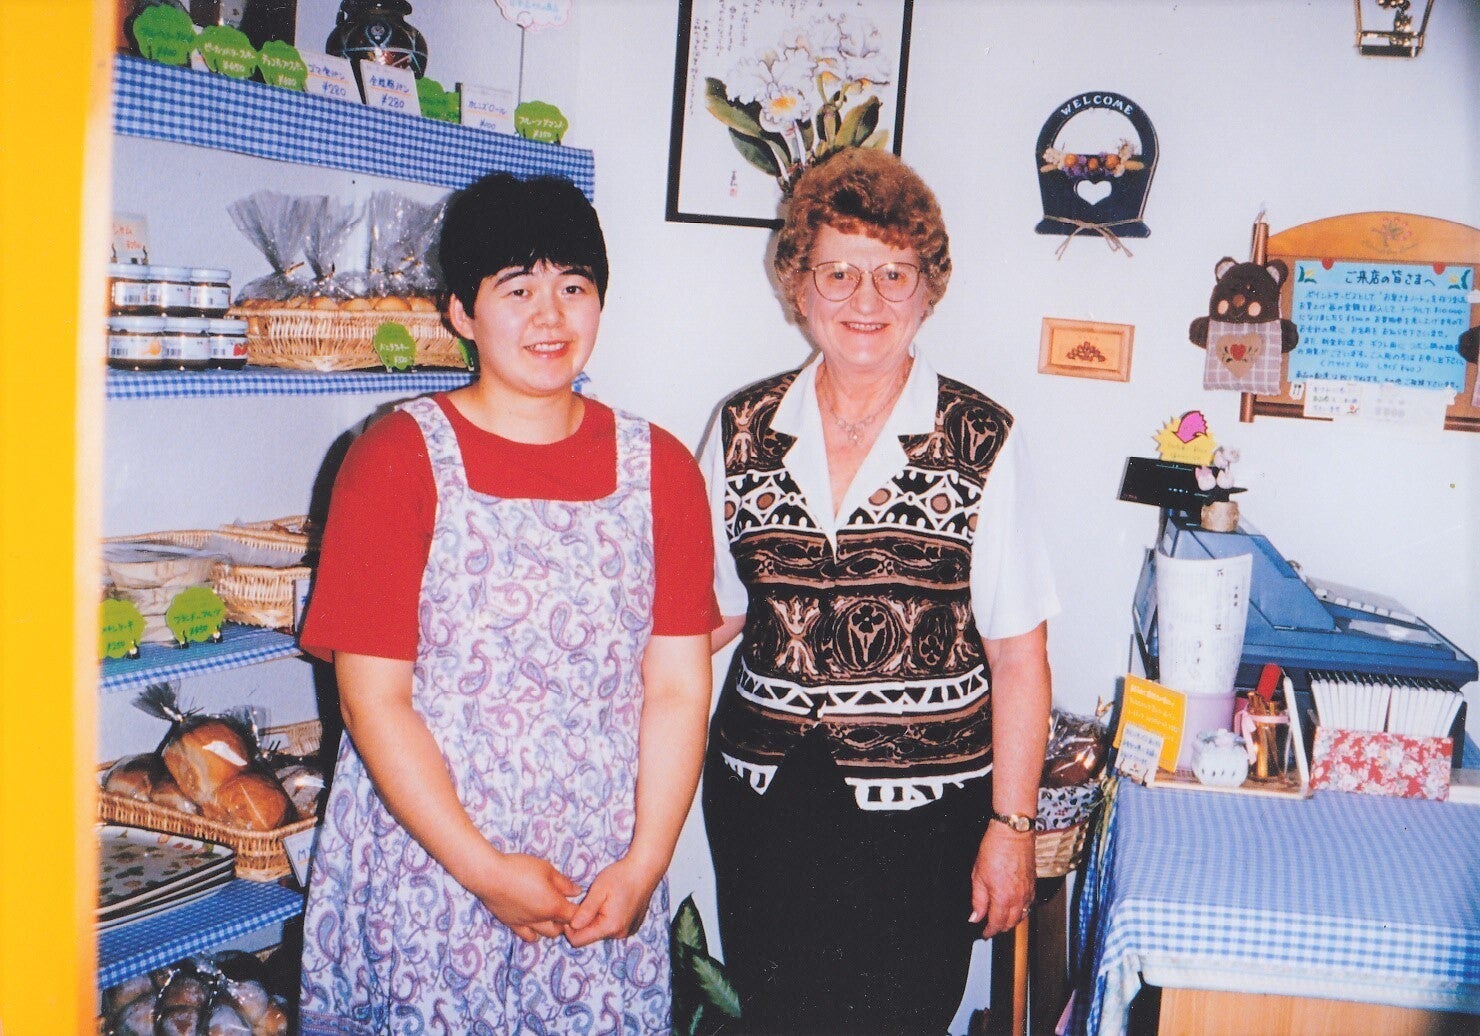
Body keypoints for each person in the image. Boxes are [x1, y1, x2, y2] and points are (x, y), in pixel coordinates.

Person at [297, 172, 718, 1034]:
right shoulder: (394, 459)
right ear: (461, 312)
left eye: (574, 287)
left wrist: (647, 862)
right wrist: (484, 871)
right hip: (432, 863)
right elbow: (373, 701)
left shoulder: (662, 469)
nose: (550, 317)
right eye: (516, 289)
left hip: (599, 874)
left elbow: (678, 687)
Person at [700, 147, 1059, 1034]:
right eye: (839, 272)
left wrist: (1012, 829)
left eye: (893, 273)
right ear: (800, 285)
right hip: (765, 799)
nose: (866, 299)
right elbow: (709, 615)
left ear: (927, 289)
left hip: (926, 815)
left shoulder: (980, 437)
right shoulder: (742, 428)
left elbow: (1018, 655)